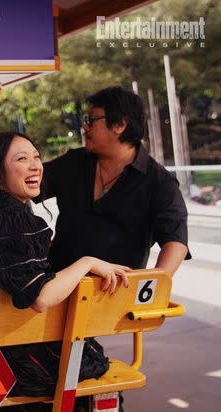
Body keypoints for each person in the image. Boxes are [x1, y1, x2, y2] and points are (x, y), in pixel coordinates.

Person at [0, 132, 130, 412]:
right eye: (21, 159)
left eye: (36, 157)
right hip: (13, 360)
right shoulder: (15, 221)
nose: (35, 166)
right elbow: (40, 297)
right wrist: (87, 263)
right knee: (92, 358)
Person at [41, 86, 189, 276]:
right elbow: (24, 185)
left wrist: (151, 287)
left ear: (119, 124)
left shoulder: (159, 182)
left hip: (115, 297)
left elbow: (175, 241)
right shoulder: (73, 163)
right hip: (57, 289)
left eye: (91, 120)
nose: (84, 127)